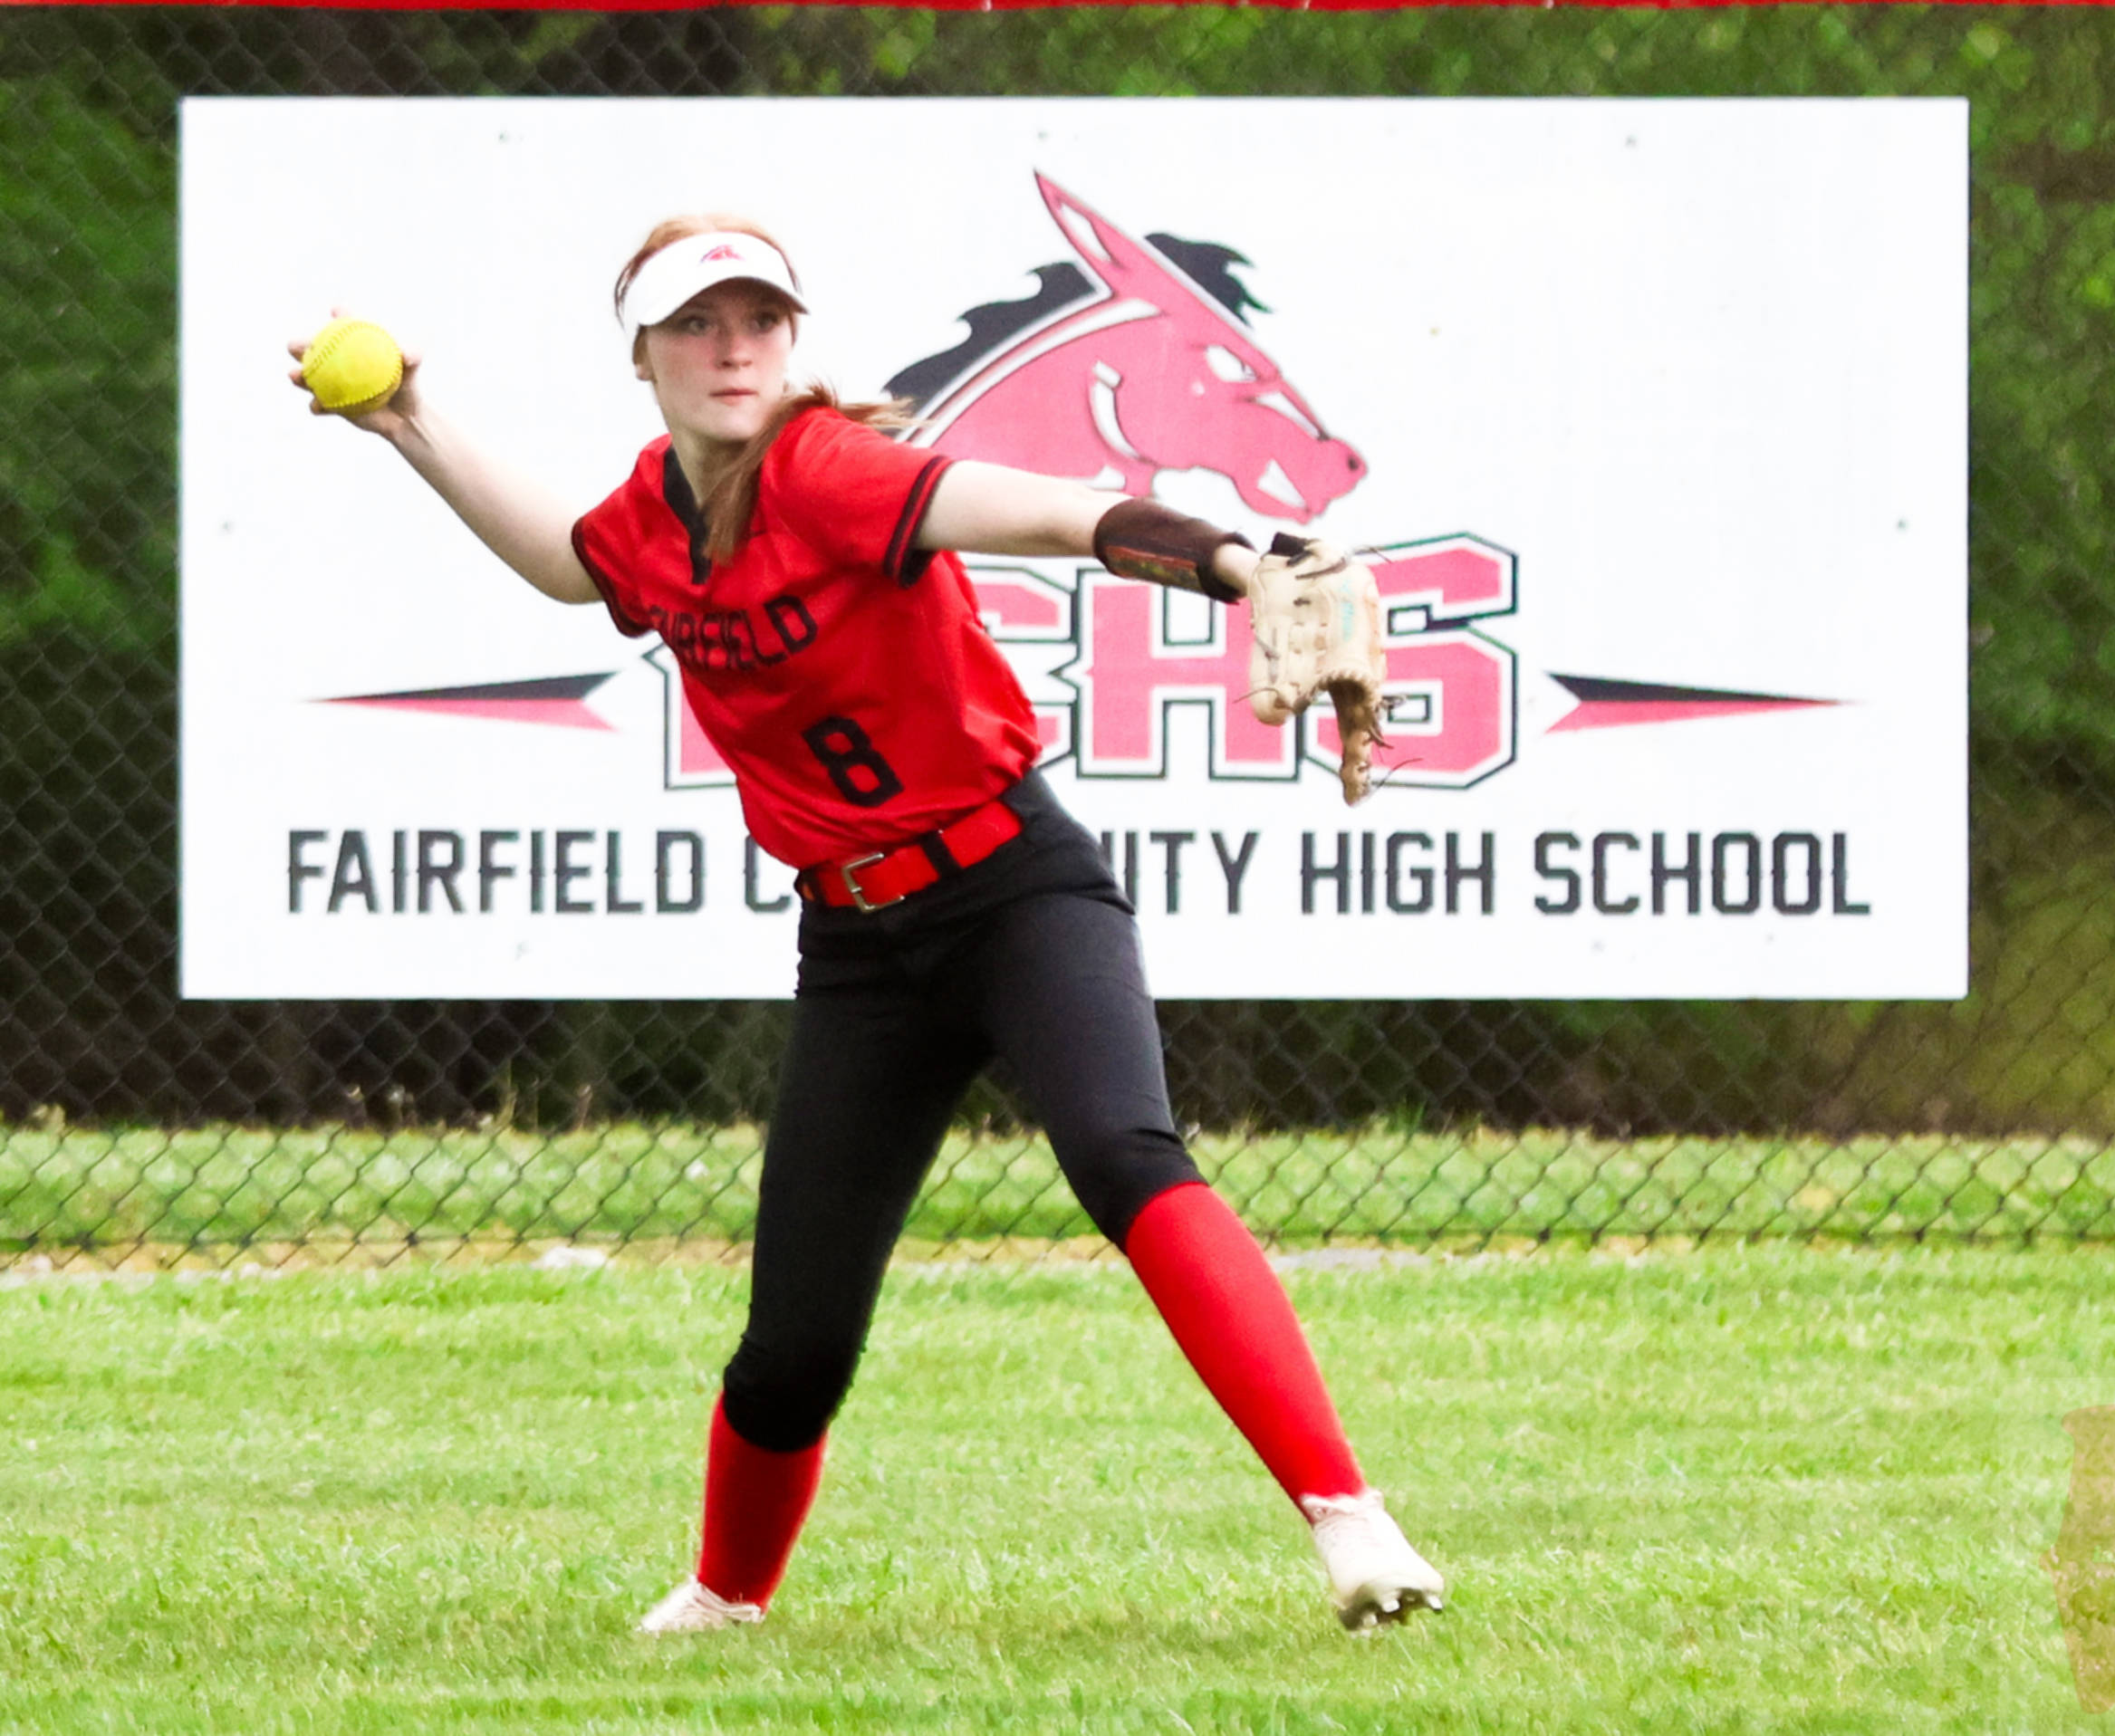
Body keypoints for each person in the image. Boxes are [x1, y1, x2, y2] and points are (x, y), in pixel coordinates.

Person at [286, 216, 1444, 1635]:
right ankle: (727, 1592)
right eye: (697, 323)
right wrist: (411, 420)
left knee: (1123, 1153)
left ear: (793, 342)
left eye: (759, 321)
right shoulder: (650, 516)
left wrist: (1236, 561)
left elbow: (1057, 514)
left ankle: (1349, 1514)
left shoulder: (829, 470)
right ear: (641, 354)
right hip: (856, 947)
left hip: (1014, 888)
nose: (733, 348)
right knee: (797, 1336)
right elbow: (573, 566)